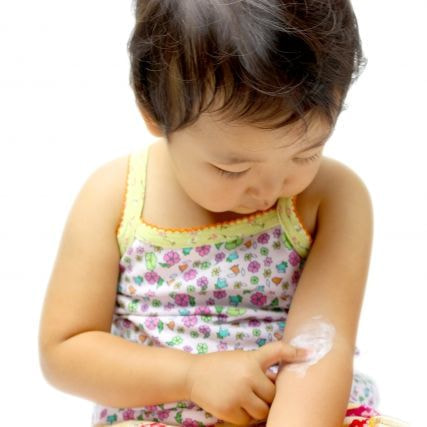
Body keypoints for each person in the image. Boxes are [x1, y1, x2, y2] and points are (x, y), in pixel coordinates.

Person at [38, 1, 406, 426]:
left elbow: (321, 351)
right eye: (232, 169)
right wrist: (190, 376)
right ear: (154, 110)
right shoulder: (114, 197)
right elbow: (65, 350)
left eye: (306, 154)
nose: (269, 190)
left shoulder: (331, 196)